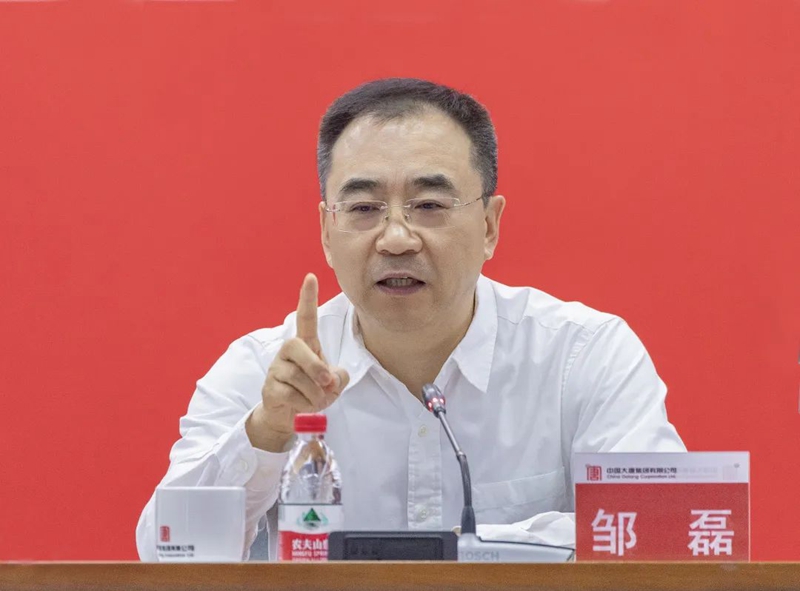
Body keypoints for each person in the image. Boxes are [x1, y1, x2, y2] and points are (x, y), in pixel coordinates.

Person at [136, 78, 685, 561]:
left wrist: (458, 553)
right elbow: (165, 554)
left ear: (489, 226)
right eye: (363, 209)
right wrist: (266, 433)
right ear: (326, 231)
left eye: (429, 205)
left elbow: (663, 534)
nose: (396, 239)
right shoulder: (265, 371)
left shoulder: (583, 356)